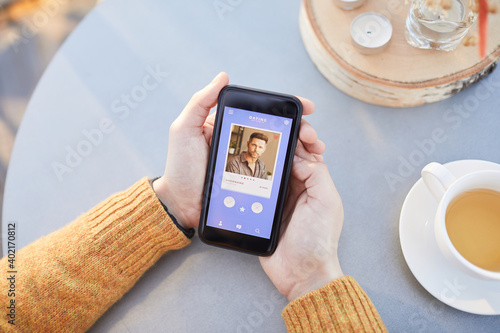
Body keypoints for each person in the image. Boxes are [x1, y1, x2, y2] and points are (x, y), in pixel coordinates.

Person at [0, 73, 387, 332]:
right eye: (250, 142)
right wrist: (315, 279)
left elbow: (12, 308)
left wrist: (169, 200)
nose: (254, 147)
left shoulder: (261, 170)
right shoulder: (232, 162)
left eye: (259, 144)